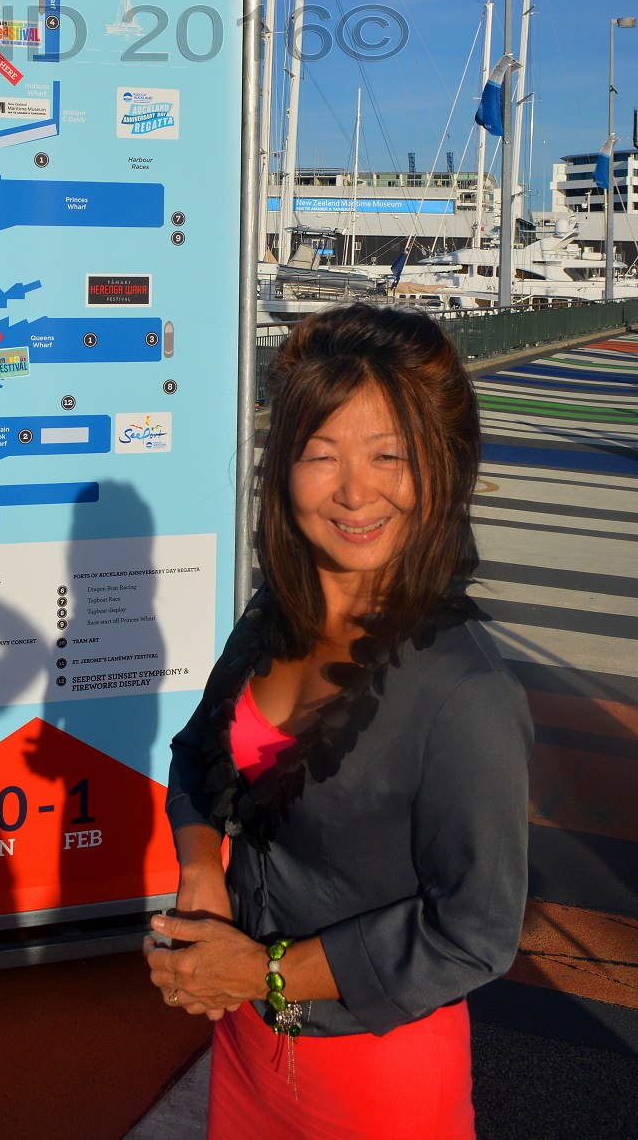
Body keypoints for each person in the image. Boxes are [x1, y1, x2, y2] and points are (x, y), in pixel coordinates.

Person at [144, 303, 532, 1139]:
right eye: (321, 455)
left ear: (442, 467)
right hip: (246, 1049)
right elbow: (196, 755)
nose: (355, 490)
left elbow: (476, 933)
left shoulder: (467, 695)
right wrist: (203, 867)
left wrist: (260, 967)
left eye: (389, 455)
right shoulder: (270, 616)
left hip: (379, 1079)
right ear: (283, 468)